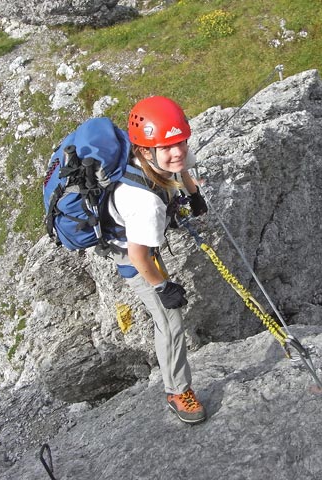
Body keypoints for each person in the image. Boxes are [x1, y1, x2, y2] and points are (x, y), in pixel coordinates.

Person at [107, 96, 208, 424]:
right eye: (168, 148)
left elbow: (183, 164)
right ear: (144, 152)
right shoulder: (143, 204)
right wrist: (163, 287)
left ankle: (176, 385)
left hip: (143, 235)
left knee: (170, 317)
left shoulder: (166, 149)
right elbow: (137, 255)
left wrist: (192, 194)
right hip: (132, 254)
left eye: (180, 142)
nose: (176, 151)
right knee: (170, 321)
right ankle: (177, 391)